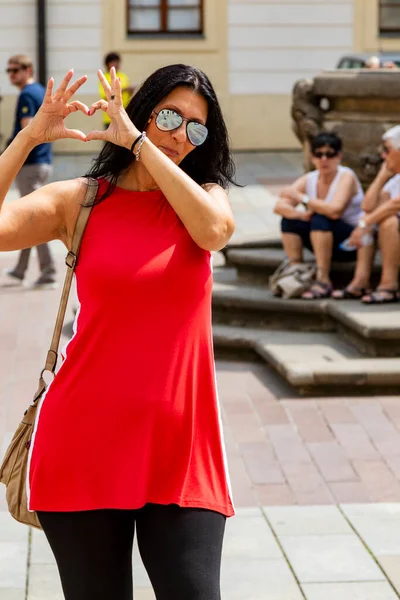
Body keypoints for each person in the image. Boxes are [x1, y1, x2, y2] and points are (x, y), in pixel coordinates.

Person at [0, 64, 235, 599]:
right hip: (82, 442)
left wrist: (140, 142)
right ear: (144, 110)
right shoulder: (81, 201)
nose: (180, 134)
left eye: (195, 128)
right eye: (170, 117)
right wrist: (29, 137)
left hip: (181, 449)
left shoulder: (205, 198)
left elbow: (215, 232)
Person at [274, 132, 367, 299]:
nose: (324, 159)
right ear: (312, 157)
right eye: (319, 154)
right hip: (321, 237)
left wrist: (303, 198)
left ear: (339, 156)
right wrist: (301, 215)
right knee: (290, 220)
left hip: (349, 242)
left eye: (329, 154)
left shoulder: (346, 176)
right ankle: (297, 271)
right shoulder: (310, 178)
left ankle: (323, 279)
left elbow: (335, 210)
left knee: (320, 217)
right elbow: (279, 206)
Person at [3, 54, 56, 289]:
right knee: (28, 216)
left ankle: (49, 271)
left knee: (34, 220)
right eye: (9, 71)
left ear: (28, 69)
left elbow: (27, 132)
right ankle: (20, 269)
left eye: (16, 70)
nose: (11, 75)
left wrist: (8, 156)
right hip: (42, 162)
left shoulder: (27, 94)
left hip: (30, 165)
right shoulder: (40, 92)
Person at [333, 125, 400, 303]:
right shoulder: (395, 179)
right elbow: (368, 206)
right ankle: (361, 282)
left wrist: (365, 223)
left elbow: (395, 204)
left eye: (387, 150)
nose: (383, 156)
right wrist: (381, 176)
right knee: (370, 220)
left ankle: (389, 285)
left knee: (387, 222)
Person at [99, 52, 135, 128]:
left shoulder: (123, 76)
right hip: (110, 117)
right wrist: (124, 89)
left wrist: (130, 91)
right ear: (107, 64)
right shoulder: (104, 78)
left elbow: (128, 97)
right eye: (113, 62)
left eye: (117, 62)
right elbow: (106, 96)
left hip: (123, 115)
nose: (115, 64)